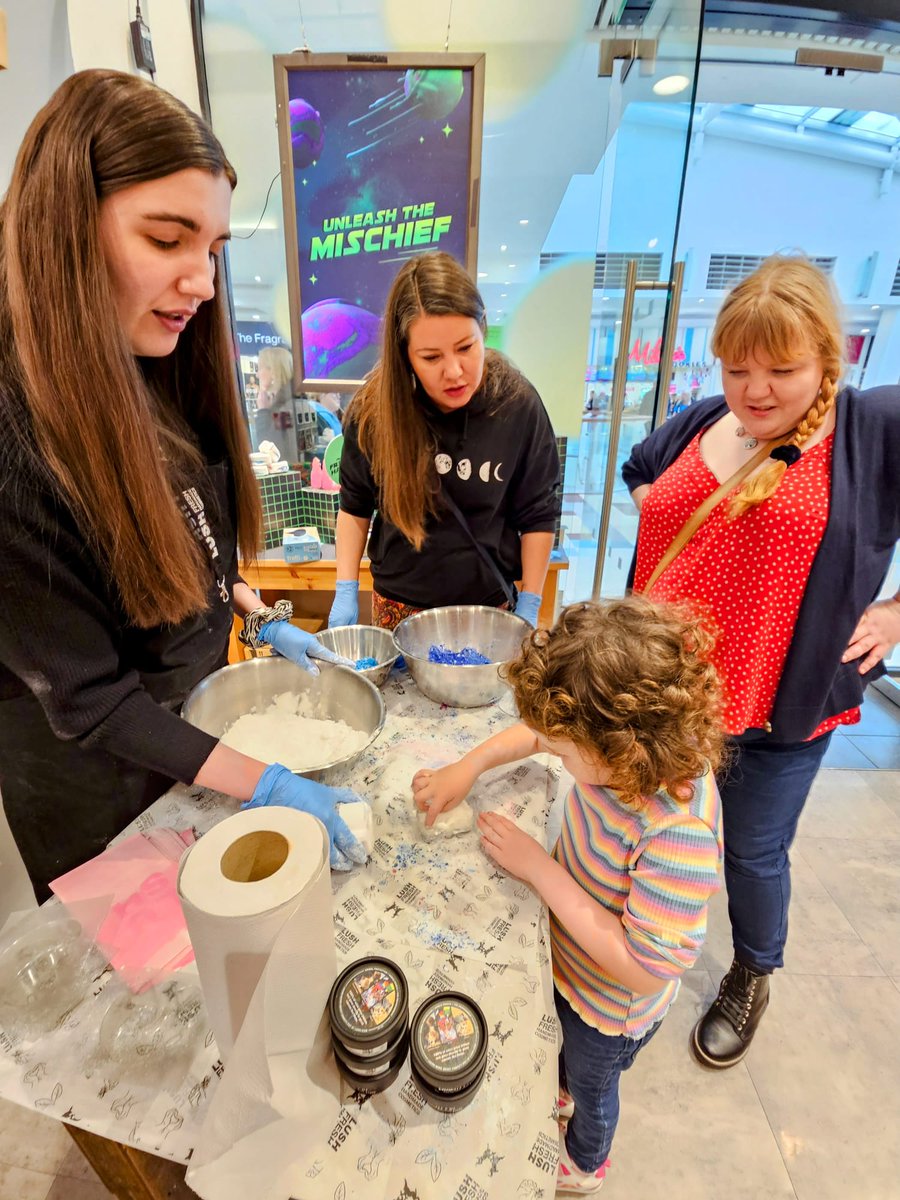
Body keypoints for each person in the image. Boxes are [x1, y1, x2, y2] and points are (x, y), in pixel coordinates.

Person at [0, 69, 365, 903]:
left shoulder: (149, 365)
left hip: (187, 741)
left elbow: (182, 547)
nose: (201, 282)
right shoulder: (15, 435)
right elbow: (91, 702)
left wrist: (258, 617)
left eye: (212, 250)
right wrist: (265, 780)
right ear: (64, 228)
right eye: (167, 241)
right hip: (94, 785)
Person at [622, 255, 900, 1070]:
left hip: (775, 700)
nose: (757, 389)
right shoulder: (707, 419)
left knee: (749, 851)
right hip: (666, 694)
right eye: (739, 366)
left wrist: (893, 613)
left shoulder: (868, 432)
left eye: (783, 368)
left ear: (827, 356)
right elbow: (642, 470)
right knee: (652, 832)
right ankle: (634, 965)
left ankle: (751, 972)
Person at [412, 598, 724, 1194]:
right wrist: (468, 768)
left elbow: (644, 968)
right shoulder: (617, 750)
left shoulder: (678, 831)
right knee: (560, 1052)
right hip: (569, 963)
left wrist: (539, 869)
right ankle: (564, 1090)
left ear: (618, 749)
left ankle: (586, 1161)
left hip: (609, 1010)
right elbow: (537, 734)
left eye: (563, 750)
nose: (550, 750)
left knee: (592, 1086)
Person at [328, 251, 560, 631]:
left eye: (466, 348)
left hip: (487, 608)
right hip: (398, 606)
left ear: (483, 328)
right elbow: (355, 509)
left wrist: (531, 600)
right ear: (405, 356)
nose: (454, 372)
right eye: (431, 357)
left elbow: (538, 513)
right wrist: (344, 589)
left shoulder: (517, 405)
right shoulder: (374, 410)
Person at [254, 345, 295, 462]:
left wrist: (263, 411)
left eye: (260, 368)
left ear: (273, 371)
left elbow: (272, 454)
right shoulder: (287, 402)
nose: (257, 374)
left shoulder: (284, 409)